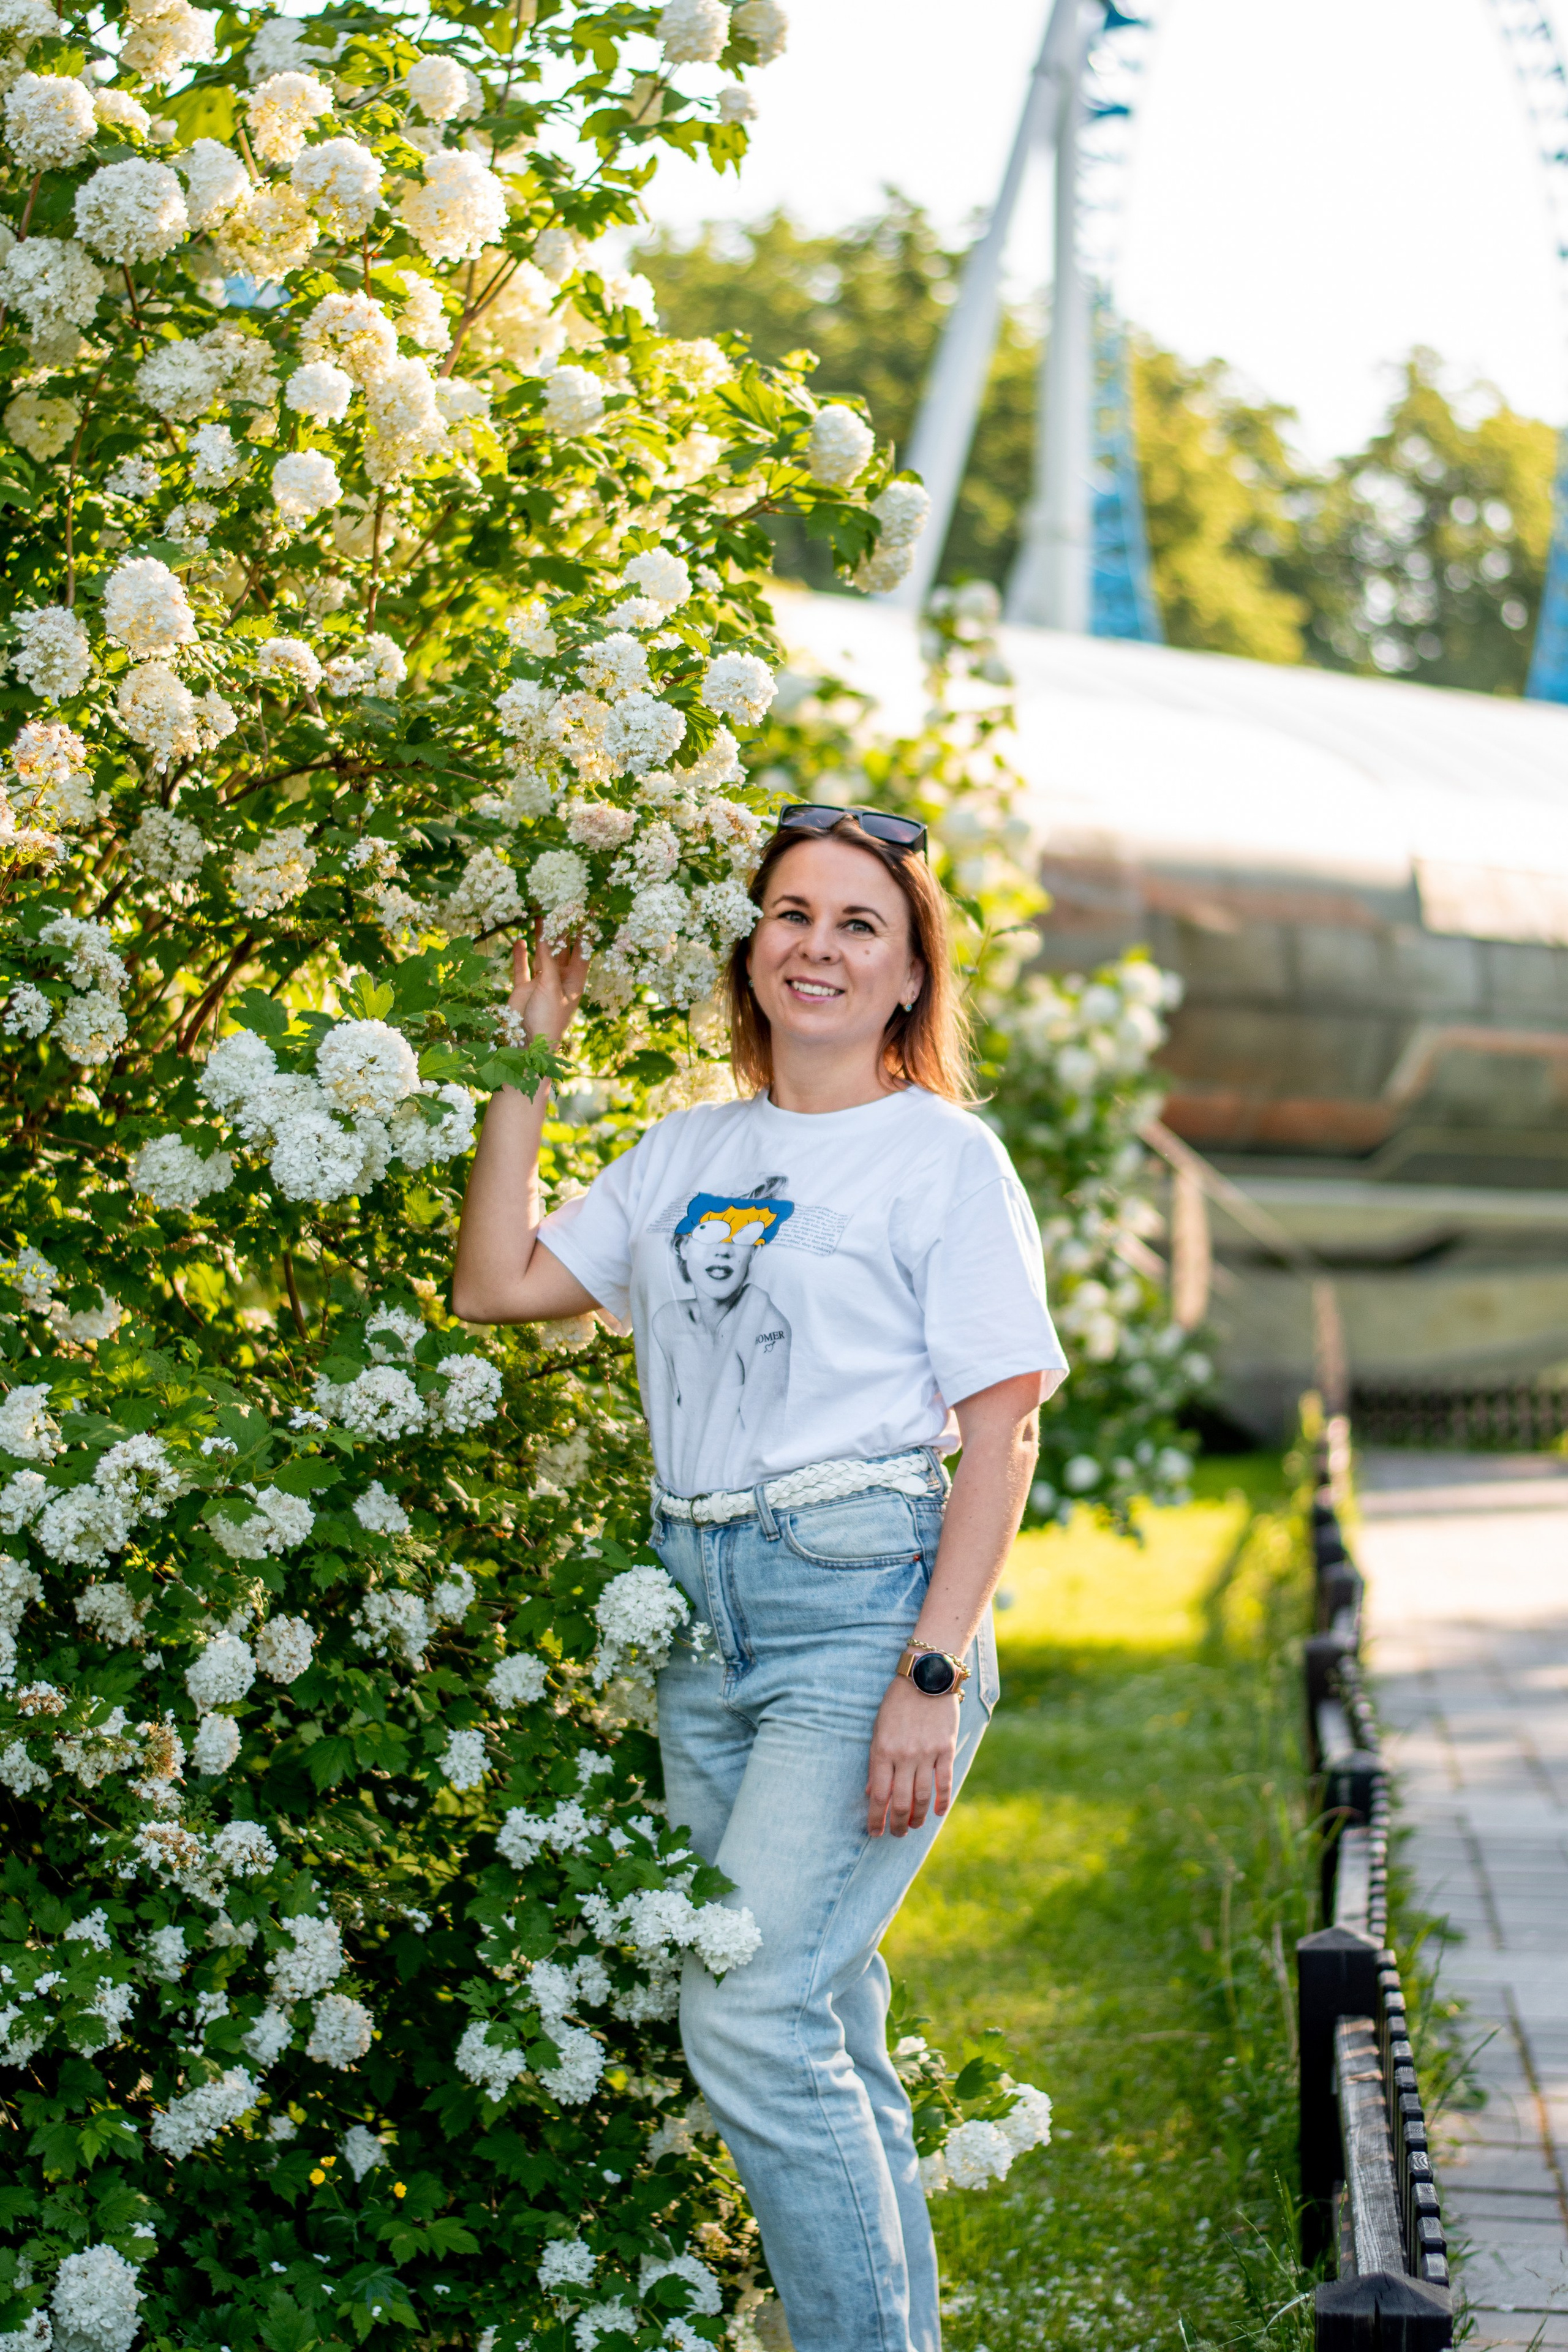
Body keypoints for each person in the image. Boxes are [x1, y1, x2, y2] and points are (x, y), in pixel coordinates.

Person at [452, 805, 1067, 2352]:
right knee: (819, 2015)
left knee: (747, 2009)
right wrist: (527, 1057)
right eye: (790, 914)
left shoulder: (941, 1158)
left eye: (859, 923)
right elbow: (499, 1284)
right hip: (701, 1616)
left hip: (862, 1611)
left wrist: (932, 1673)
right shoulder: (689, 1150)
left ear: (913, 973)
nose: (816, 945)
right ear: (752, 947)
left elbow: (999, 1436)